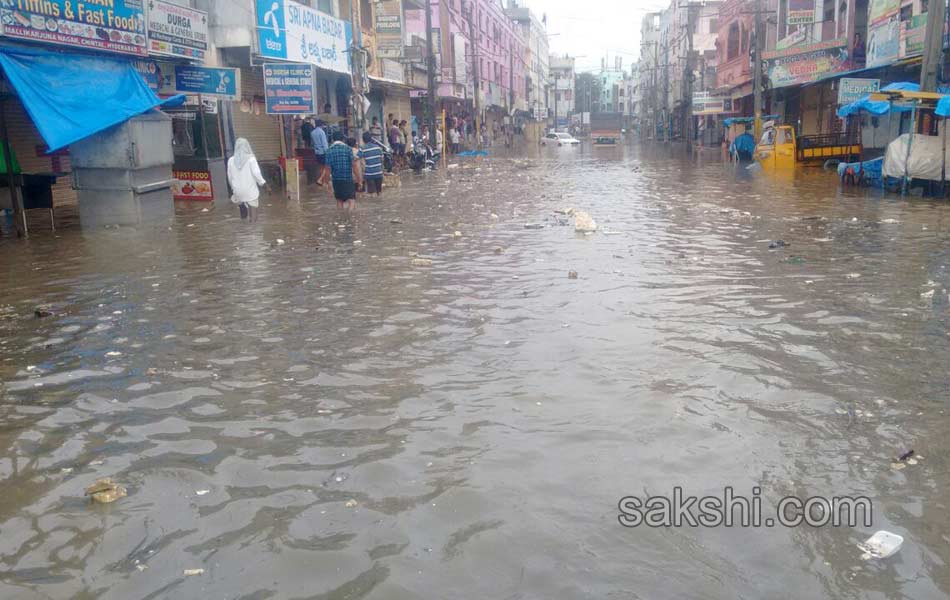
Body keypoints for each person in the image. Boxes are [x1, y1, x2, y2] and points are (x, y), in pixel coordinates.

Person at [227, 138, 266, 221]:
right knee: (253, 214)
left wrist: (233, 189)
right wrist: (263, 183)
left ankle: (244, 230)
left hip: (237, 191)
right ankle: (252, 230)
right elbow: (257, 174)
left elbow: (230, 177)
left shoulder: (231, 160)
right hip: (250, 191)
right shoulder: (251, 159)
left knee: (243, 213)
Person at [326, 131, 356, 207]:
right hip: (348, 178)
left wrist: (328, 182)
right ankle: (350, 215)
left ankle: (340, 217)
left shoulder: (329, 150)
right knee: (351, 200)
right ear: (342, 139)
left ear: (333, 140)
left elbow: (328, 168)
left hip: (336, 179)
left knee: (339, 200)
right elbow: (354, 165)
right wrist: (358, 179)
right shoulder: (348, 149)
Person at [360, 131, 385, 196]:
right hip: (378, 173)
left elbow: (360, 161)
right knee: (379, 192)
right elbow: (382, 160)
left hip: (369, 174)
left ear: (363, 140)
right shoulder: (378, 147)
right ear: (371, 138)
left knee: (372, 194)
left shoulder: (362, 149)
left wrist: (362, 173)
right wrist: (382, 171)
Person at [311, 119, 329, 186]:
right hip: (323, 152)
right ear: (321, 125)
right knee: (327, 166)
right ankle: (321, 180)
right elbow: (324, 143)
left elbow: (312, 143)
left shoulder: (312, 132)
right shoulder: (321, 132)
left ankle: (322, 181)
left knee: (321, 167)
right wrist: (327, 152)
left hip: (317, 152)